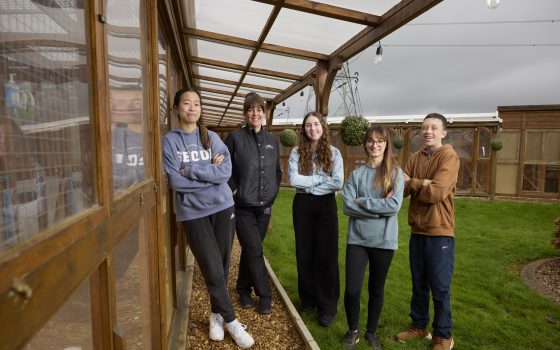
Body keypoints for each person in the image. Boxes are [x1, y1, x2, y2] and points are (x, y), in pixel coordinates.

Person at [163, 87, 254, 349]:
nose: (192, 108)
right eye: (187, 103)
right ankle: (233, 322)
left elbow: (224, 172)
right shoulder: (170, 141)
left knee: (223, 265)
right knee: (212, 267)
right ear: (177, 108)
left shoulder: (210, 136)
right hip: (193, 213)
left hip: (223, 206)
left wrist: (191, 169)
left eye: (197, 104)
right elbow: (175, 181)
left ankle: (216, 316)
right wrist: (207, 172)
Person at [395, 113, 459, 350]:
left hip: (440, 231)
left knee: (440, 286)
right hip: (417, 231)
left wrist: (415, 182)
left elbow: (437, 193)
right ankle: (420, 326)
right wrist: (420, 182)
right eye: (424, 128)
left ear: (443, 133)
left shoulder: (449, 157)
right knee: (418, 283)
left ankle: (444, 334)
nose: (428, 131)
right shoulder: (414, 156)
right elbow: (400, 189)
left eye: (433, 127)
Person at [341, 125, 404, 350]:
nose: (374, 145)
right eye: (370, 141)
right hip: (357, 239)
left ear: (386, 144)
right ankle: (353, 330)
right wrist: (380, 207)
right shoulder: (356, 174)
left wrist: (363, 202)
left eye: (379, 141)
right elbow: (347, 206)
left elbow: (394, 206)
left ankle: (371, 332)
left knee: (376, 289)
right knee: (352, 289)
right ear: (365, 144)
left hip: (384, 241)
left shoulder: (395, 174)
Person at [224, 92, 281, 314]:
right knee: (255, 250)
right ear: (245, 113)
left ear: (263, 114)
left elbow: (276, 171)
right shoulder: (235, 138)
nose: (255, 113)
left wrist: (273, 194)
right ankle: (265, 295)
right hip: (243, 206)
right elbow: (224, 169)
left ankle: (243, 288)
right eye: (251, 109)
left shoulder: (272, 141)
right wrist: (233, 188)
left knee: (251, 250)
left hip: (264, 207)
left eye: (259, 109)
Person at [288, 111, 343, 327]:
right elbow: (294, 179)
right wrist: (320, 179)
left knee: (327, 256)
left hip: (325, 206)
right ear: (304, 129)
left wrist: (311, 186)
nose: (313, 128)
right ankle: (308, 301)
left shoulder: (333, 153)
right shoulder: (296, 152)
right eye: (308, 125)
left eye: (316, 124)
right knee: (304, 254)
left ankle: (327, 306)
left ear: (323, 127)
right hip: (302, 206)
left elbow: (337, 182)